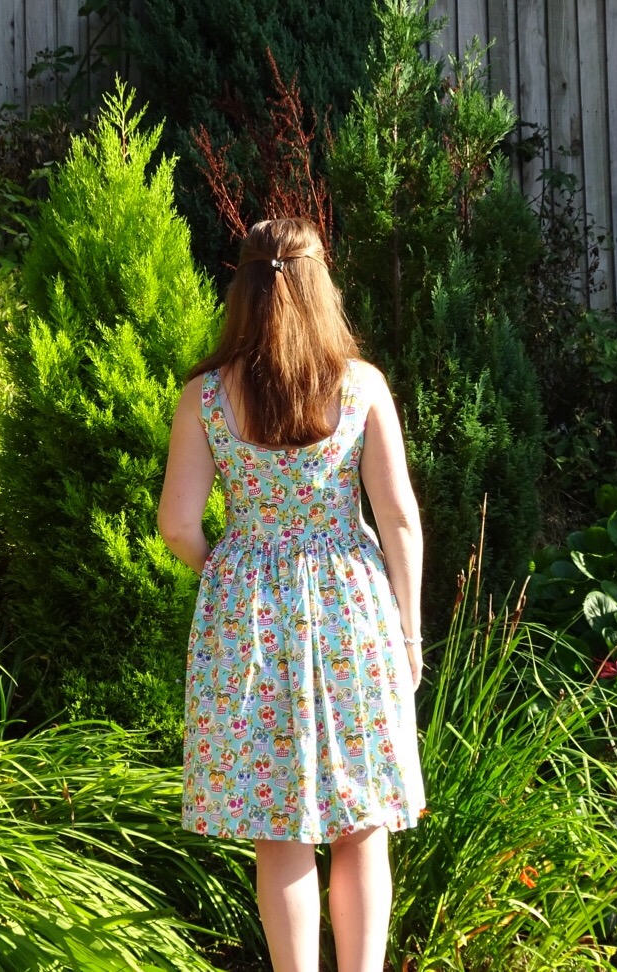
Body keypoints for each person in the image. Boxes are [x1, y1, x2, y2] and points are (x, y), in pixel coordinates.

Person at [158, 218, 424, 972]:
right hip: (350, 609)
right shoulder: (360, 385)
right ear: (321, 288)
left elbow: (177, 524)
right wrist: (408, 633)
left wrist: (231, 566)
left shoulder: (206, 396)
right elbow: (399, 519)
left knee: (278, 828)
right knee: (360, 822)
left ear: (241, 290)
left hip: (248, 616)